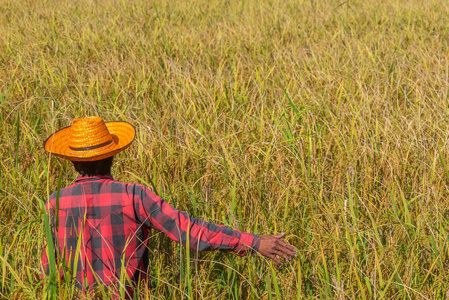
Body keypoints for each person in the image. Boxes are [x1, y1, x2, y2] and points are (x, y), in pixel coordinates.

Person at [42, 116, 296, 298]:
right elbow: (190, 231)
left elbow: (48, 270)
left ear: (73, 161)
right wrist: (253, 242)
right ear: (112, 155)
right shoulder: (133, 195)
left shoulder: (55, 203)